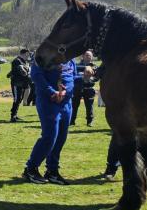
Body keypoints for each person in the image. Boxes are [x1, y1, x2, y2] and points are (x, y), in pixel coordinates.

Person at [22, 57, 75, 185]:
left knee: (61, 137)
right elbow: (36, 76)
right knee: (50, 137)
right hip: (49, 102)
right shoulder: (43, 56)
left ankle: (52, 171)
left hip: (66, 103)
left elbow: (71, 77)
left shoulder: (70, 59)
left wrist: (85, 76)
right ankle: (31, 169)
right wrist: (52, 92)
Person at [70, 50, 97, 126]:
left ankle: (90, 121)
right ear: (83, 56)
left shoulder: (94, 66)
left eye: (90, 55)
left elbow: (96, 78)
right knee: (74, 105)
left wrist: (90, 78)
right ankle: (72, 121)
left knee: (89, 106)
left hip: (89, 88)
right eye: (87, 55)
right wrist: (83, 76)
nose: (88, 57)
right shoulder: (76, 65)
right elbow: (73, 75)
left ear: (92, 57)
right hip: (77, 88)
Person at [9, 48, 31, 122]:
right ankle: (13, 116)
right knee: (17, 99)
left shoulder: (23, 61)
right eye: (27, 54)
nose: (28, 56)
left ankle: (15, 115)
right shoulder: (17, 61)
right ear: (24, 54)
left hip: (22, 83)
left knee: (19, 99)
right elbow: (23, 72)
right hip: (16, 83)